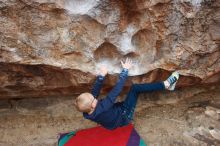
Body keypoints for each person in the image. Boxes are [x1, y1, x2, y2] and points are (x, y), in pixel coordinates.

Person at [75, 58, 179, 130]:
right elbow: (116, 91)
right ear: (93, 105)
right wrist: (125, 71)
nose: (94, 95)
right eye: (93, 98)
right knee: (135, 89)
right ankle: (166, 84)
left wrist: (102, 76)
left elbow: (94, 92)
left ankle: (166, 85)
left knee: (125, 100)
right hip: (124, 116)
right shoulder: (103, 107)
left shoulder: (87, 111)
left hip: (114, 119)